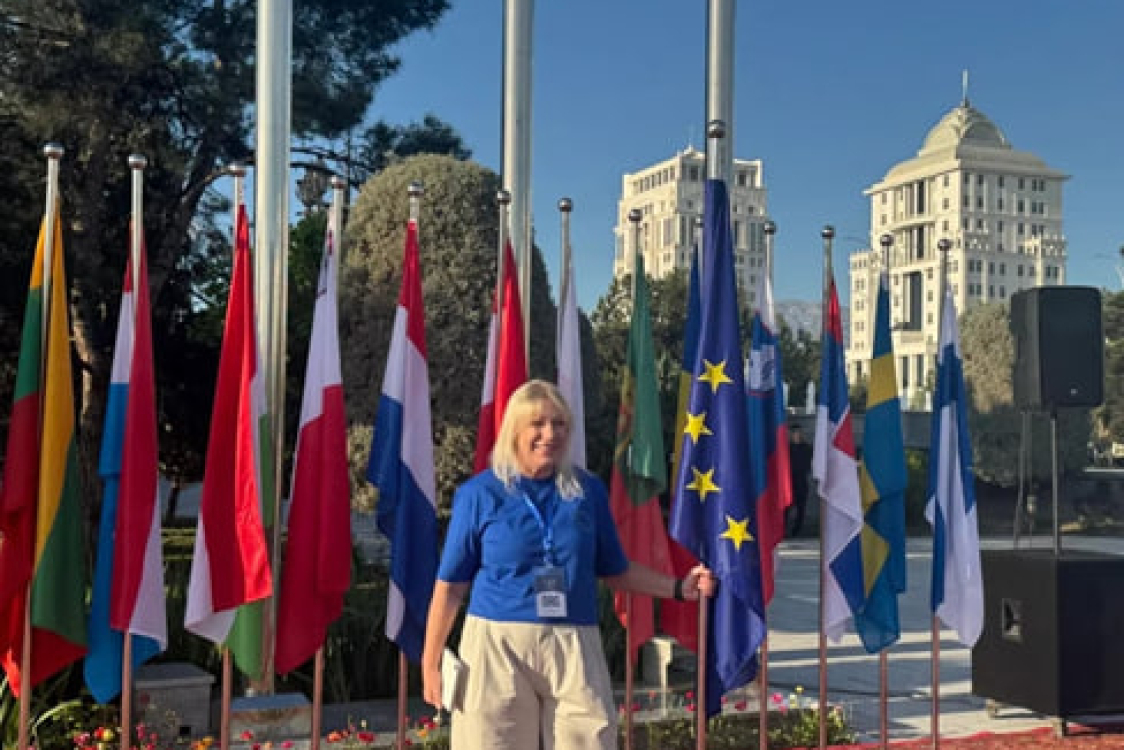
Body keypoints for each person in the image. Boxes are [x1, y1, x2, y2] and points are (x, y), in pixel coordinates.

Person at [421, 379, 716, 750]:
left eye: (559, 424)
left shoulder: (587, 491)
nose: (550, 434)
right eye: (538, 424)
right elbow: (450, 586)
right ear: (515, 430)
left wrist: (677, 587)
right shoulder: (479, 494)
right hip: (496, 645)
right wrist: (430, 661)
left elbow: (616, 569)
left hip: (573, 641)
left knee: (593, 738)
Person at [787, 424, 813, 537]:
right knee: (786, 507)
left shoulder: (807, 448)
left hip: (801, 481)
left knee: (801, 508)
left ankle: (796, 530)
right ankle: (784, 529)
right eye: (794, 433)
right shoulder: (787, 449)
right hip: (789, 481)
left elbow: (808, 464)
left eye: (798, 433)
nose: (797, 435)